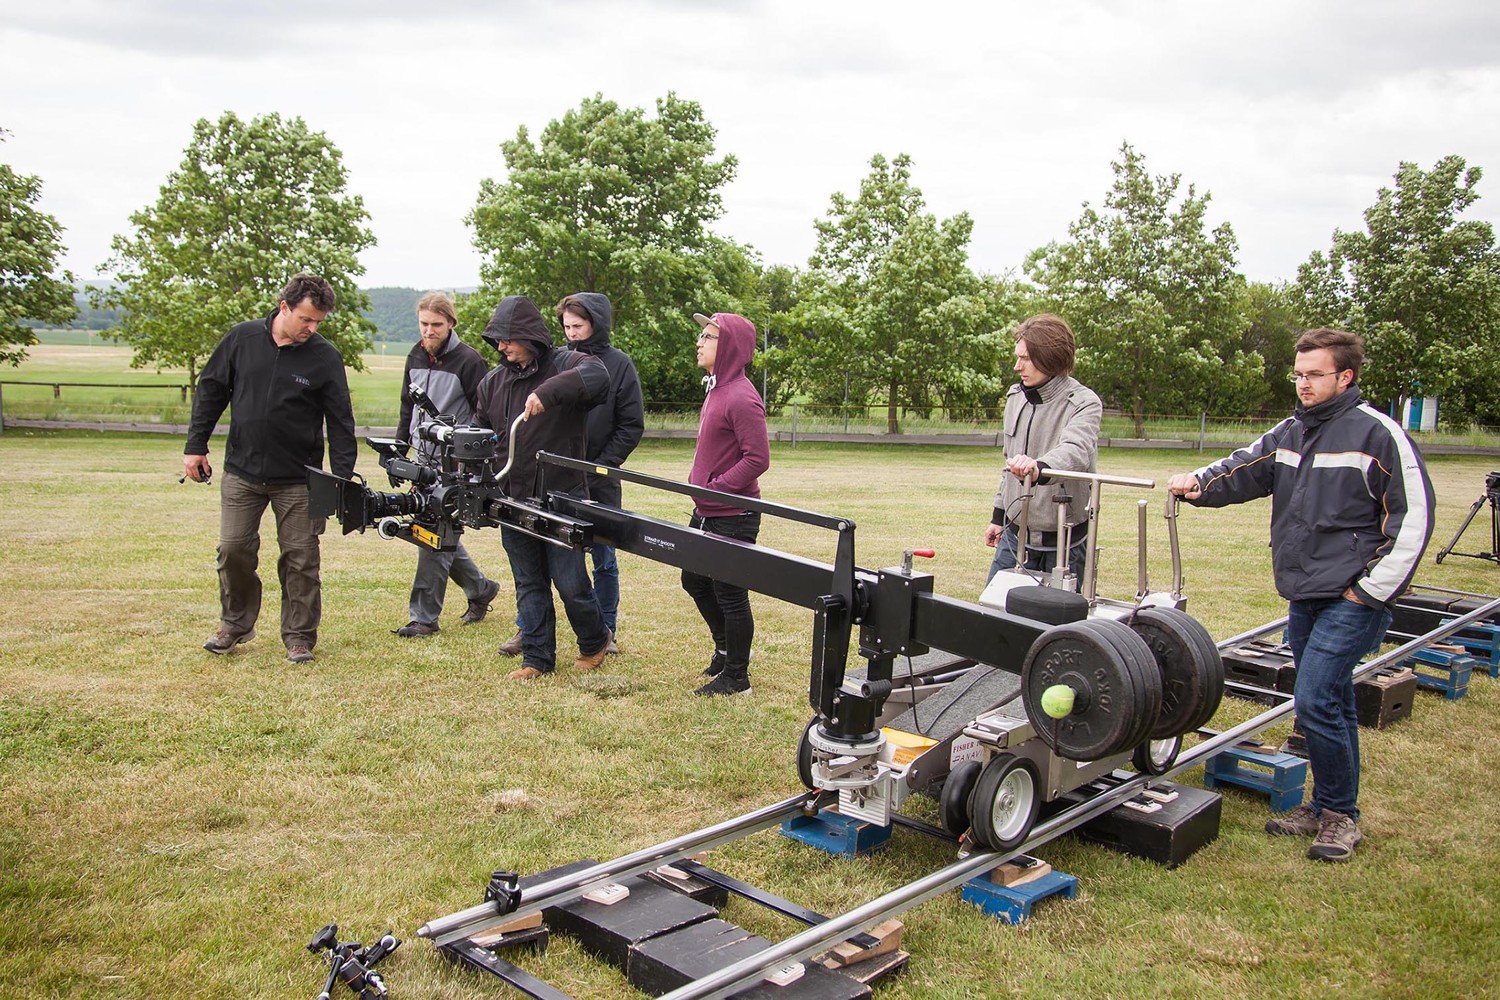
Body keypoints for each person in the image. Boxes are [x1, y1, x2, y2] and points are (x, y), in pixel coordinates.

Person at [1167, 327, 1434, 863]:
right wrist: (1199, 482)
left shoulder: (1379, 435)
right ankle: (1329, 806)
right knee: (1330, 700)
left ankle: (1339, 818)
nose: (1303, 384)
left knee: (1313, 697)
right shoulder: (1293, 431)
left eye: (1314, 374)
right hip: (1303, 590)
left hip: (1352, 596)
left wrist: (1367, 592)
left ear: (1345, 376)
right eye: (1298, 374)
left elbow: (1412, 521)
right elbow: (1245, 467)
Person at [184, 273, 357, 664]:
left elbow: (340, 421)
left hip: (299, 479)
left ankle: (299, 637)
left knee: (301, 558)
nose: (312, 329)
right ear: (284, 307)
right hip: (242, 471)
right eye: (306, 319)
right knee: (233, 549)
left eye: (318, 322)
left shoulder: (324, 357)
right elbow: (211, 390)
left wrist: (341, 479)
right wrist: (195, 446)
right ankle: (235, 625)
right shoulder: (242, 339)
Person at [497, 292, 643, 657]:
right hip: (556, 479)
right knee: (538, 561)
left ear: (597, 324)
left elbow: (630, 424)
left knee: (602, 559)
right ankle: (527, 629)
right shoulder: (556, 363)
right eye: (566, 326)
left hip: (598, 477)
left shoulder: (619, 365)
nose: (572, 333)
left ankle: (606, 630)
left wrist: (600, 465)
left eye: (579, 326)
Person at [473, 295, 611, 680]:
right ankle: (536, 658)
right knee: (528, 581)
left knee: (571, 582)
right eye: (497, 340)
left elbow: (599, 377)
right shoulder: (492, 382)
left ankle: (594, 640)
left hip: (562, 499)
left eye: (508, 339)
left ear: (530, 336)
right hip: (512, 499)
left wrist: (547, 393)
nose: (501, 347)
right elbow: (480, 433)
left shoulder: (567, 363)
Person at [391, 291, 501, 638]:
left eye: (436, 324)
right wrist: (399, 452)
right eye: (424, 324)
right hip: (422, 459)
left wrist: (471, 462)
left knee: (435, 532)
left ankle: (423, 618)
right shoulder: (414, 355)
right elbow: (407, 407)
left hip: (454, 465)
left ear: (451, 323)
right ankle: (481, 588)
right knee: (436, 531)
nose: (429, 331)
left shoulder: (469, 361)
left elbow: (485, 413)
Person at [682, 311, 771, 697]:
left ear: (731, 346)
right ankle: (724, 649)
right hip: (707, 510)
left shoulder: (742, 396)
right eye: (701, 335)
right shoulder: (717, 389)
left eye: (708, 336)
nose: (699, 342)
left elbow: (758, 458)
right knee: (693, 579)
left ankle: (737, 677)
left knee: (730, 593)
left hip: (734, 513)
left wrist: (718, 489)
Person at [983, 313, 1102, 582]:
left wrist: (1039, 468)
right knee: (993, 608)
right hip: (1014, 537)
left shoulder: (1084, 402)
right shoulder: (1015, 397)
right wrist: (998, 516)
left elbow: (1075, 451)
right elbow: (1008, 462)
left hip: (1065, 543)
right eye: (1018, 357)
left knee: (1057, 612)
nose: (1017, 366)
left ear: (1050, 357)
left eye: (1025, 358)